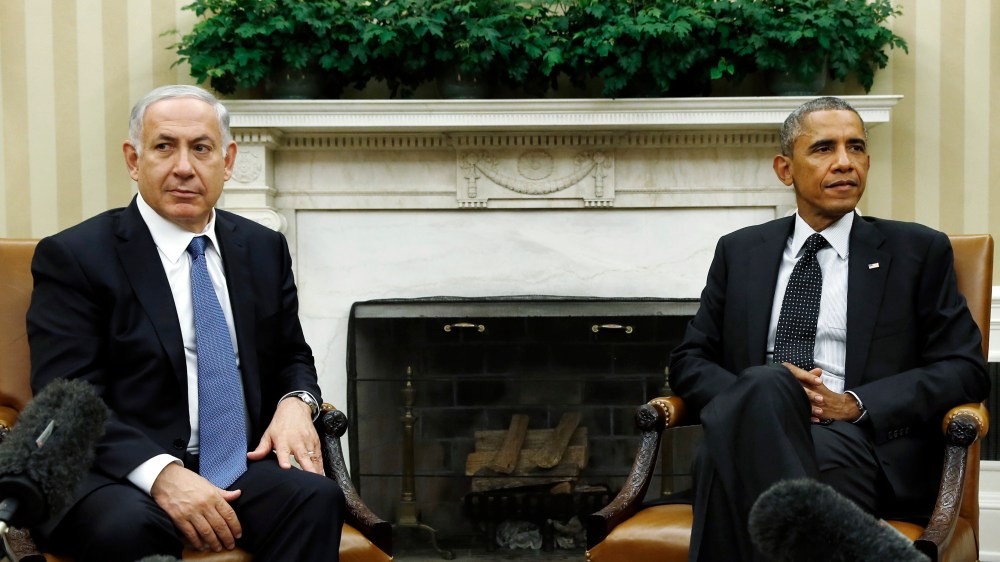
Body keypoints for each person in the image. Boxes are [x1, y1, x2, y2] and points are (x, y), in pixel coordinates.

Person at [26, 85, 344, 561]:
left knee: (314, 499)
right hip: (114, 472)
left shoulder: (262, 248)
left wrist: (297, 403)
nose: (183, 167)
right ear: (133, 160)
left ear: (227, 160)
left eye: (201, 148)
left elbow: (291, 355)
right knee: (128, 526)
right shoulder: (76, 256)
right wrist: (162, 474)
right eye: (163, 146)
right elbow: (68, 400)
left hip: (237, 462)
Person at [668, 96, 990, 562]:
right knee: (767, 384)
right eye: (823, 149)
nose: (844, 162)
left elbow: (965, 369)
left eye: (855, 147)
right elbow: (689, 361)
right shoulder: (740, 252)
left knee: (734, 460)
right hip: (754, 431)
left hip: (860, 443)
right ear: (785, 169)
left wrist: (853, 404)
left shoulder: (917, 251)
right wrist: (761, 396)